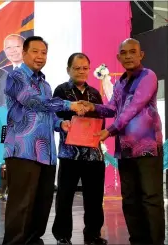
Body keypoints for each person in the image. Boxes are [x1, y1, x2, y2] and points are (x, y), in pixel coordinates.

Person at [2, 36, 86, 245]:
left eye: (44, 53)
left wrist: (61, 124)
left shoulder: (46, 84)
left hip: (46, 154)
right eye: (35, 51)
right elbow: (33, 101)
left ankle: (33, 240)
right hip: (22, 151)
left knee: (41, 205)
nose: (40, 56)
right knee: (21, 206)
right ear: (24, 53)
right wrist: (70, 105)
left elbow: (47, 114)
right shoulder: (16, 77)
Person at [81, 38, 165, 245]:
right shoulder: (120, 82)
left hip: (147, 148)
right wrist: (91, 107)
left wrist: (109, 131)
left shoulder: (148, 76)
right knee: (130, 199)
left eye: (132, 52)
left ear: (141, 55)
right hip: (125, 150)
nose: (128, 56)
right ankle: (138, 240)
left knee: (150, 199)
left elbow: (133, 108)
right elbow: (112, 108)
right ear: (118, 57)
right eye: (124, 53)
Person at [51, 53, 107, 245]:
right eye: (77, 68)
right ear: (68, 70)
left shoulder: (95, 94)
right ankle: (62, 236)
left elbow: (102, 120)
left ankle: (93, 235)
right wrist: (69, 116)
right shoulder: (60, 91)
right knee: (65, 196)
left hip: (93, 154)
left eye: (85, 68)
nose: (82, 72)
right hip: (69, 154)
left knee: (94, 197)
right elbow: (54, 117)